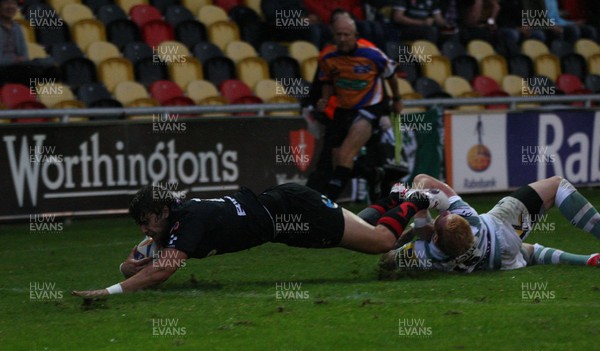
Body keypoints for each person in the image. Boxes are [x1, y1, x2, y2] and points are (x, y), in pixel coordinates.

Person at [71, 182, 449, 297]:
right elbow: (140, 259)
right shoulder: (172, 222)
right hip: (282, 216)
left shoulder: (188, 222)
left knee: (381, 242)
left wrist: (107, 292)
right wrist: (126, 266)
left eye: (146, 221)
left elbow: (160, 273)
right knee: (359, 234)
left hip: (293, 213)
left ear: (164, 213)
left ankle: (415, 199)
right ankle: (396, 196)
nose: (144, 229)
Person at [366, 174, 600, 273]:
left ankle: (586, 260)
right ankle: (591, 248)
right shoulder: (469, 218)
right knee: (557, 185)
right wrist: (418, 205)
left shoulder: (427, 252)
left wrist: (414, 230)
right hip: (507, 229)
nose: (445, 214)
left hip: (497, 261)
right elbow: (423, 181)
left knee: (528, 253)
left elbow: (387, 260)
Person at [316, 16, 402, 202]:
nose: (342, 38)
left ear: (355, 35)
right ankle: (372, 174)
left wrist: (396, 99)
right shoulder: (327, 56)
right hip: (344, 108)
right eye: (338, 34)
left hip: (370, 107)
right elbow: (328, 81)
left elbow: (392, 75)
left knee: (346, 152)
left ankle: (328, 203)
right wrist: (324, 99)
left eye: (346, 34)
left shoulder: (372, 54)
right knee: (337, 158)